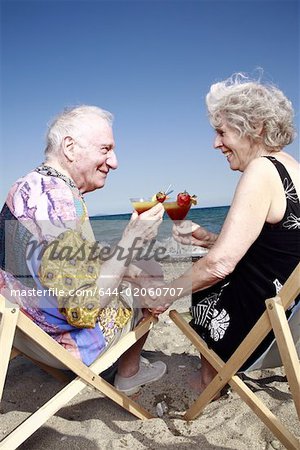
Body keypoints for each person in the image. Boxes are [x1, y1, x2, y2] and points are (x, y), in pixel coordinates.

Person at [146, 73, 300, 394]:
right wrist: (208, 239)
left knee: (205, 280)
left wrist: (165, 294)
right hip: (293, 327)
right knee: (205, 258)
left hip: (261, 331)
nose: (216, 143)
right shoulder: (292, 169)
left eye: (221, 132)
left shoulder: (261, 171)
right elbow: (274, 249)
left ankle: (209, 382)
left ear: (255, 127)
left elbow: (220, 265)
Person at [0, 105, 166, 395]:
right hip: (60, 342)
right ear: (70, 147)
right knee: (152, 275)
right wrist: (132, 239)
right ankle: (129, 372)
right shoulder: (59, 202)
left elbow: (65, 265)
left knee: (135, 270)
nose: (114, 162)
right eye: (106, 149)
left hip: (18, 329)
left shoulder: (28, 186)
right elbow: (84, 310)